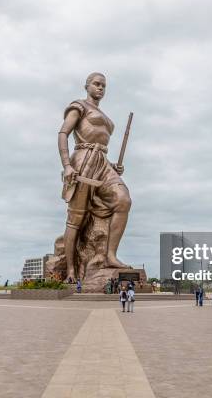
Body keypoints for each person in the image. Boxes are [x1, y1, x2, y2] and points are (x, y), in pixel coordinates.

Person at [58, 72, 132, 281]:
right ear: (87, 86)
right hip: (83, 160)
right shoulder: (79, 106)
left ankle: (110, 255)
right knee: (76, 219)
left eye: (104, 86)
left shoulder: (107, 118)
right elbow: (63, 133)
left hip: (103, 162)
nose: (101, 88)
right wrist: (66, 166)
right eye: (97, 84)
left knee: (123, 200)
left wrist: (112, 166)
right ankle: (72, 270)